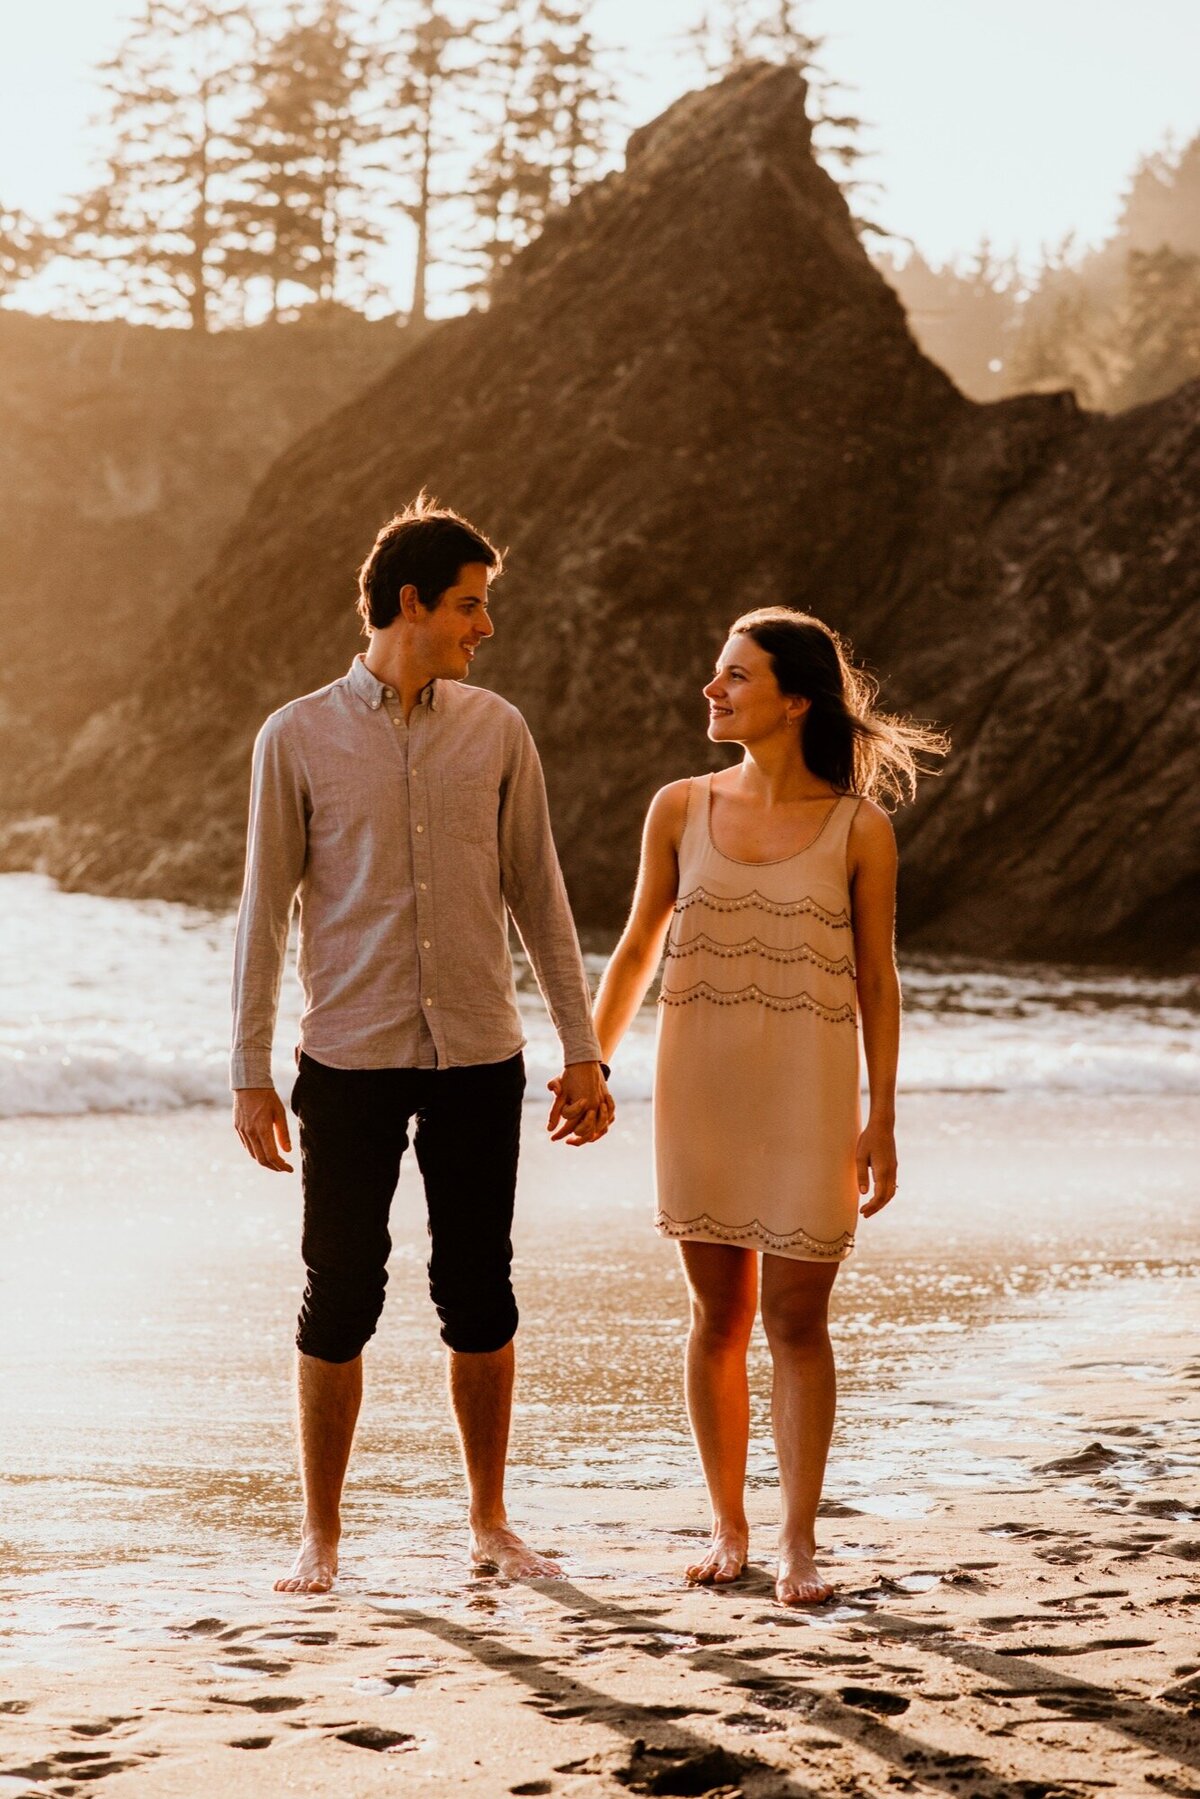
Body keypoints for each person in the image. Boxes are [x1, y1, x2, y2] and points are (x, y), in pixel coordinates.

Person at [230, 495, 613, 1594]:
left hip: (478, 1054)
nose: (483, 628)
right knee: (340, 1290)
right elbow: (265, 913)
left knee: (479, 1285)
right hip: (345, 1056)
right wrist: (250, 1071)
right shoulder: (295, 735)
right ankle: (322, 1537)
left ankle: (490, 1520)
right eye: (470, 606)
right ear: (412, 603)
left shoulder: (497, 729)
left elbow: (539, 893)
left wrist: (580, 1049)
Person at [588, 607, 944, 1606]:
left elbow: (879, 980)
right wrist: (592, 1061)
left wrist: (882, 1119)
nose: (713, 690)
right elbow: (634, 950)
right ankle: (727, 1523)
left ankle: (798, 1539)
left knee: (796, 1316)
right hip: (701, 1089)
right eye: (717, 673)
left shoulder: (858, 828)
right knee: (718, 1314)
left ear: (794, 699)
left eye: (734, 676)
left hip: (811, 1093)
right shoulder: (677, 806)